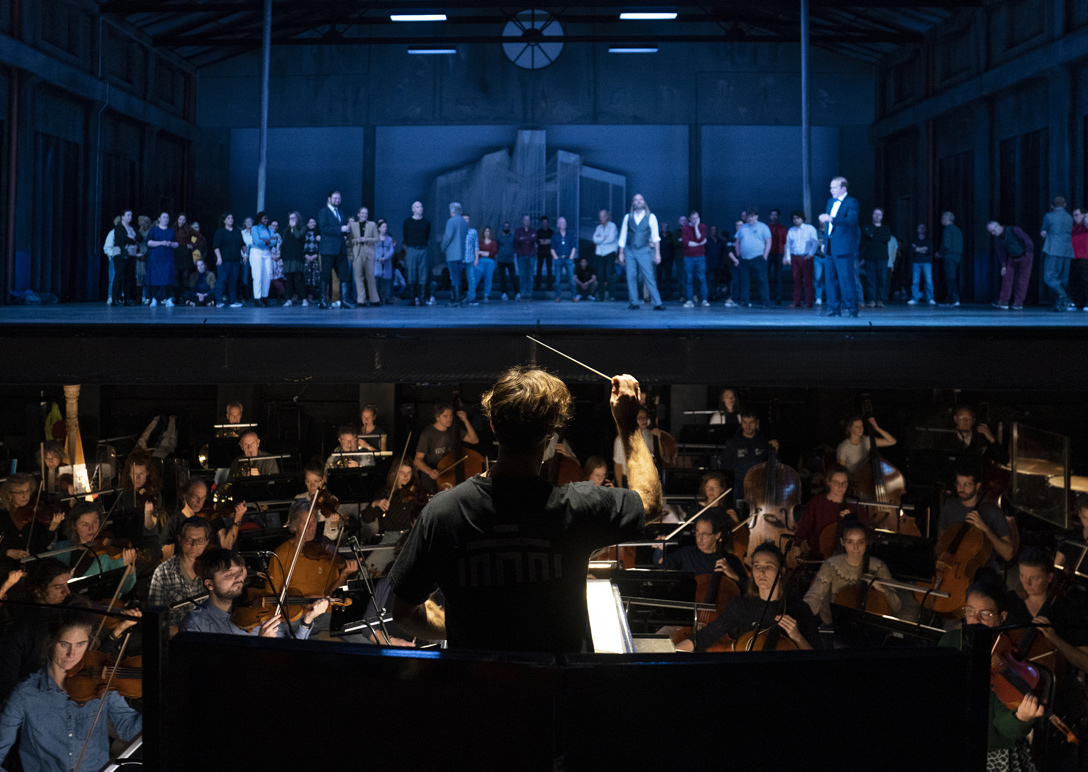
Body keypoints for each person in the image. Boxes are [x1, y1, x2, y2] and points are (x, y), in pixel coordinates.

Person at [389, 368, 659, 653]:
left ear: (493, 426)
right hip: (557, 692)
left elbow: (405, 613)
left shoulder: (442, 512)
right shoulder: (579, 506)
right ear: (550, 433)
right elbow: (650, 501)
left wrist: (464, 625)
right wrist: (628, 424)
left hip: (475, 692)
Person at [0, 611, 143, 772]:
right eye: (64, 644)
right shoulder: (25, 694)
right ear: (50, 642)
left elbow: (128, 728)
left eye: (80, 644)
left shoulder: (101, 685)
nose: (72, 654)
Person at [937, 582, 1043, 771]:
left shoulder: (1006, 658)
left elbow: (1004, 728)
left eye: (985, 614)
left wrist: (1021, 717)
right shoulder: (951, 640)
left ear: (1002, 617)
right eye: (970, 611)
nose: (975, 619)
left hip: (993, 753)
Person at [675, 542, 817, 652]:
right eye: (756, 566)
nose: (761, 572)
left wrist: (797, 636)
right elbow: (706, 636)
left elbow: (818, 656)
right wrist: (672, 652)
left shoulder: (798, 608)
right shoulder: (741, 605)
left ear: (781, 571)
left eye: (768, 566)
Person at [180, 547, 328, 638]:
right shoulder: (195, 625)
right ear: (209, 584)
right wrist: (260, 645)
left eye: (240, 571)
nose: (239, 578)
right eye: (229, 574)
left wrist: (306, 621)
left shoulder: (259, 611)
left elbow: (291, 651)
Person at [802, 519, 901, 624]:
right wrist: (803, 613)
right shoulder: (830, 565)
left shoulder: (878, 566)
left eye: (861, 542)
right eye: (850, 542)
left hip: (871, 625)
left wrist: (881, 588)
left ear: (866, 542)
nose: (856, 548)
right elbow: (815, 596)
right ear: (842, 542)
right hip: (836, 623)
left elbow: (896, 606)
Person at [938, 466, 1013, 574]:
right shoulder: (949, 506)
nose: (961, 488)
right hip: (953, 566)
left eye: (966, 485)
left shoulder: (993, 512)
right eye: (958, 484)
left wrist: (985, 529)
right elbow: (943, 538)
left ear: (977, 486)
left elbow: (1008, 554)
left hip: (983, 570)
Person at [653, 511, 747, 592]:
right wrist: (660, 549)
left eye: (705, 534)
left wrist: (734, 576)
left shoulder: (730, 561)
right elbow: (660, 564)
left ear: (717, 535)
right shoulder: (686, 554)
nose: (699, 538)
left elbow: (748, 589)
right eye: (697, 532)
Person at [148, 515, 212, 632]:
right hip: (177, 640)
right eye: (188, 540)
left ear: (207, 542)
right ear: (179, 539)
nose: (194, 545)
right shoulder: (163, 572)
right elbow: (155, 621)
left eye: (200, 541)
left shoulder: (213, 568)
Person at [793, 465, 862, 560]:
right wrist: (797, 543)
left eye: (844, 483)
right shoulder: (816, 502)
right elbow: (804, 525)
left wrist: (852, 521)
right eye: (836, 482)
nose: (840, 487)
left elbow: (864, 533)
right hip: (818, 556)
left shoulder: (855, 506)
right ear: (828, 482)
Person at [818, 176, 861, 318]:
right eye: (830, 187)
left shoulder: (851, 202)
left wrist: (832, 219)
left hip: (844, 247)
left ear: (843, 188)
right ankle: (833, 308)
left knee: (846, 279)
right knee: (830, 279)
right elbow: (827, 227)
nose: (831, 190)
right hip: (830, 246)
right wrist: (824, 242)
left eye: (834, 187)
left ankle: (851, 308)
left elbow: (852, 220)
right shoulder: (830, 202)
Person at [413, 402, 480, 493]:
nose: (449, 418)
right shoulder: (427, 434)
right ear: (437, 417)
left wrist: (465, 420)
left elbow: (474, 440)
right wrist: (429, 471)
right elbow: (417, 460)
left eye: (451, 416)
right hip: (433, 474)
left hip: (449, 473)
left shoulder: (453, 430)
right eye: (445, 416)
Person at [0, 473, 64, 567]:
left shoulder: (37, 513)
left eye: (27, 490)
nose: (25, 496)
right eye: (19, 492)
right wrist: (7, 552)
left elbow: (41, 546)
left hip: (34, 566)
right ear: (9, 494)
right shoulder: (2, 515)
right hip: (7, 567)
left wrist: (51, 529)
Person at [720, 408, 779, 505]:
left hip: (760, 486)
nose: (747, 426)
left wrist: (775, 452)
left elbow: (774, 466)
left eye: (751, 423)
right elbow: (725, 467)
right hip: (739, 485)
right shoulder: (733, 442)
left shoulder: (765, 441)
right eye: (745, 422)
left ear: (757, 423)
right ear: (741, 422)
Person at [618, 194, 665, 311]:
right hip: (630, 250)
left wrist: (657, 254)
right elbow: (623, 235)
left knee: (649, 275)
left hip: (644, 250)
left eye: (640, 200)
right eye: (636, 200)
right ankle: (634, 301)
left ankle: (657, 302)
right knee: (631, 276)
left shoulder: (651, 217)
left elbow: (656, 237)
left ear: (644, 202)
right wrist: (621, 253)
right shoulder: (628, 217)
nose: (638, 202)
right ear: (633, 203)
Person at [317, 190, 357, 310]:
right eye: (335, 198)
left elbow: (342, 229)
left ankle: (344, 300)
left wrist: (347, 230)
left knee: (344, 275)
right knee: (326, 275)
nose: (337, 200)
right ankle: (323, 301)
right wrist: (341, 229)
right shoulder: (323, 212)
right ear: (329, 199)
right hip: (328, 249)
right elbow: (324, 228)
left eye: (339, 198)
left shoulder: (341, 212)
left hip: (340, 249)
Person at [986, 219, 1034, 310]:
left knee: (1022, 280)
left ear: (998, 226)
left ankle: (1018, 303)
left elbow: (1027, 240)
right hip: (1012, 258)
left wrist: (1028, 254)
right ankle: (1004, 301)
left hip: (1025, 256)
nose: (993, 233)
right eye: (991, 232)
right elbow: (1001, 252)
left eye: (993, 230)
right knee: (1006, 278)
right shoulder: (998, 238)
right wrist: (1003, 265)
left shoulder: (1014, 230)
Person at [1040, 195, 1076, 311]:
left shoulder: (1049, 216)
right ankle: (1062, 303)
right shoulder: (1070, 217)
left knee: (1049, 276)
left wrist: (1044, 234)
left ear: (1052, 206)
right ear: (1064, 205)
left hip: (1054, 249)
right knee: (1062, 278)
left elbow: (1044, 231)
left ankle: (1064, 297)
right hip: (1067, 251)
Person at [734, 208, 772, 308]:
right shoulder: (743, 228)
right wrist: (738, 253)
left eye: (752, 216)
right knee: (744, 280)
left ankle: (765, 302)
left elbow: (768, 241)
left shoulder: (763, 227)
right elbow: (737, 241)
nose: (750, 219)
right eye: (748, 217)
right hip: (745, 258)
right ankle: (745, 301)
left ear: (757, 216)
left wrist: (765, 255)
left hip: (759, 257)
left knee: (762, 280)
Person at [612, 406, 655, 488]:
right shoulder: (621, 440)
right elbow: (618, 465)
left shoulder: (648, 435)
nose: (644, 420)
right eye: (640, 418)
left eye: (645, 417)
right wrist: (620, 488)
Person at [105, 210, 139, 306]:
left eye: (131, 215)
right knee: (117, 276)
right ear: (122, 217)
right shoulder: (117, 229)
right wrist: (131, 238)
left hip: (130, 255)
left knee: (129, 277)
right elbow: (122, 238)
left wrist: (131, 237)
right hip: (119, 254)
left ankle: (127, 298)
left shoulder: (132, 228)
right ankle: (114, 298)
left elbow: (139, 237)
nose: (130, 217)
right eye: (128, 215)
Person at [212, 212, 246, 308]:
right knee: (222, 279)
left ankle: (233, 300)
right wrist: (219, 257)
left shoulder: (237, 231)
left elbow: (242, 244)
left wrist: (245, 255)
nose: (231, 219)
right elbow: (216, 246)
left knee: (233, 280)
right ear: (224, 220)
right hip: (224, 260)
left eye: (232, 218)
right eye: (228, 218)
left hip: (235, 260)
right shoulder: (220, 232)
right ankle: (219, 300)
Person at [860, 208, 892, 308]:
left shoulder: (885, 228)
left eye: (879, 214)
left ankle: (880, 299)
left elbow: (886, 238)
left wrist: (873, 236)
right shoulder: (867, 227)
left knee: (881, 278)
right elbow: (866, 236)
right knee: (871, 279)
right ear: (872, 215)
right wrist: (874, 235)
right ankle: (872, 300)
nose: (877, 216)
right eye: (875, 214)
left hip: (882, 257)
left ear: (882, 217)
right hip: (870, 256)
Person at [440, 203, 470, 306]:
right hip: (461, 253)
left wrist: (443, 247)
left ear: (452, 210)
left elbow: (448, 237)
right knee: (457, 275)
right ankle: (455, 298)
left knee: (454, 276)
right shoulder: (464, 222)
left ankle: (456, 299)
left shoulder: (451, 221)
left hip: (452, 253)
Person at [786, 211, 818, 308]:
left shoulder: (810, 229)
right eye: (794, 218)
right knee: (796, 280)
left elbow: (815, 243)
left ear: (802, 219)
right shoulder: (791, 230)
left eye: (798, 218)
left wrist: (810, 254)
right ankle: (796, 301)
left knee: (808, 280)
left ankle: (808, 302)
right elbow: (788, 245)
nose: (796, 220)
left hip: (806, 257)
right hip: (795, 257)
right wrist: (788, 257)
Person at [402, 201, 431, 306]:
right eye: (418, 207)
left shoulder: (426, 222)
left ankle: (422, 297)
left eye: (421, 206)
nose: (420, 208)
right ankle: (412, 298)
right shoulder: (407, 222)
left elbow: (427, 235)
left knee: (423, 273)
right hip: (411, 249)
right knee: (411, 273)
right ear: (413, 209)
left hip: (423, 248)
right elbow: (405, 236)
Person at [146, 211, 177, 307]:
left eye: (167, 217)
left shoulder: (171, 231)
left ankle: (168, 298)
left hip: (167, 258)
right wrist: (161, 243)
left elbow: (176, 244)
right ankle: (154, 299)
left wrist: (170, 243)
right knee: (155, 278)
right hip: (156, 258)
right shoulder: (154, 230)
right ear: (159, 218)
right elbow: (149, 242)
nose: (166, 219)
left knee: (167, 278)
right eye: (164, 217)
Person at [680, 210, 710, 308]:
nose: (695, 220)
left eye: (696, 218)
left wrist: (696, 226)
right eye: (693, 219)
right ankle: (689, 300)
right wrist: (699, 244)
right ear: (689, 219)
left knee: (702, 278)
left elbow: (700, 238)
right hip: (688, 257)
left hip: (700, 257)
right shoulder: (685, 228)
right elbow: (686, 243)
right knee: (689, 278)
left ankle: (704, 299)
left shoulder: (702, 227)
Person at [935, 211, 963, 307]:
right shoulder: (958, 230)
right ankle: (950, 299)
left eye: (942, 218)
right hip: (957, 257)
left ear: (946, 219)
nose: (941, 220)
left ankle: (954, 299)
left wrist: (940, 253)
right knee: (952, 278)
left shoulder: (947, 230)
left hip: (949, 256)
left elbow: (946, 245)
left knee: (950, 278)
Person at [278, 211, 306, 307]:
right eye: (290, 218)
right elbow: (284, 245)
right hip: (288, 258)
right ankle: (288, 299)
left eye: (294, 218)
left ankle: (304, 299)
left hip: (297, 257)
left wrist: (294, 227)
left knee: (299, 279)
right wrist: (282, 258)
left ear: (298, 219)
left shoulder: (302, 228)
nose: (292, 220)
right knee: (289, 280)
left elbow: (299, 237)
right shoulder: (286, 231)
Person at [592, 209, 619, 301]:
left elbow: (611, 239)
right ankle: (601, 295)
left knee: (609, 274)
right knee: (600, 275)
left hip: (610, 252)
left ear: (607, 216)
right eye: (600, 217)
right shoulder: (598, 228)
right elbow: (594, 239)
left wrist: (600, 239)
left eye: (603, 216)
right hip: (600, 253)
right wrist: (604, 238)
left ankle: (612, 295)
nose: (601, 218)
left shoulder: (612, 226)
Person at [907, 223, 935, 305]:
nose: (922, 229)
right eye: (920, 227)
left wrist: (917, 248)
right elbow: (912, 250)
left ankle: (930, 298)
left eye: (923, 227)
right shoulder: (914, 239)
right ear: (917, 229)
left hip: (927, 262)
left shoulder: (928, 240)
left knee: (928, 281)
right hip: (916, 262)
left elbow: (929, 250)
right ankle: (914, 298)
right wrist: (923, 249)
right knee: (915, 281)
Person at [551, 216, 576, 302]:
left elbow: (573, 247)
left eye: (564, 222)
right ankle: (558, 296)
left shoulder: (570, 235)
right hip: (559, 259)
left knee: (572, 279)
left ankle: (574, 296)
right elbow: (552, 248)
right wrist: (556, 258)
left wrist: (571, 257)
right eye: (561, 223)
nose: (563, 224)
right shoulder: (555, 236)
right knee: (557, 279)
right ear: (558, 225)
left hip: (568, 259)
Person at [767, 209, 788, 305]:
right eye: (772, 214)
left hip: (779, 254)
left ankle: (778, 297)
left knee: (778, 276)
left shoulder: (783, 229)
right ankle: (766, 297)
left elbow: (785, 243)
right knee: (765, 275)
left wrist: (785, 256)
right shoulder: (766, 228)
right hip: (768, 254)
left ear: (778, 216)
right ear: (770, 216)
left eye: (775, 215)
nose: (774, 216)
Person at [472, 224, 497, 303]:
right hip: (480, 261)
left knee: (488, 279)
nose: (487, 233)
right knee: (476, 278)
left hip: (490, 262)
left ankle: (486, 295)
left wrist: (482, 252)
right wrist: (486, 253)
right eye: (485, 231)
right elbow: (476, 252)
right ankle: (471, 295)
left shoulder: (493, 242)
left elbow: (493, 253)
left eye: (488, 231)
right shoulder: (479, 242)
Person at [513, 215, 537, 300]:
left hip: (531, 255)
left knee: (530, 275)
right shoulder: (518, 230)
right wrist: (528, 239)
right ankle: (522, 293)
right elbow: (517, 240)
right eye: (525, 220)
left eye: (528, 220)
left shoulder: (533, 230)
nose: (527, 222)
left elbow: (534, 239)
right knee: (522, 275)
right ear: (523, 221)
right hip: (521, 255)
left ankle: (530, 293)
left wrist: (523, 239)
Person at [374, 219, 396, 304]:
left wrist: (386, 257)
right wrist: (378, 257)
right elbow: (373, 249)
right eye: (383, 227)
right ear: (379, 228)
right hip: (377, 261)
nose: (385, 228)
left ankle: (386, 297)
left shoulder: (389, 239)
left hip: (386, 261)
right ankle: (377, 298)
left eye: (386, 226)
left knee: (386, 280)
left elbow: (391, 250)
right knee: (377, 279)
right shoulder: (375, 238)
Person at [495, 221, 519, 300]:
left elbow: (515, 246)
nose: (506, 228)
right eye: (505, 227)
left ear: (509, 228)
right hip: (501, 260)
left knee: (513, 276)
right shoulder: (499, 237)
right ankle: (504, 293)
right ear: (503, 228)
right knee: (502, 277)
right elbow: (497, 248)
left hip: (510, 260)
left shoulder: (513, 237)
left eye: (507, 227)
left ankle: (517, 292)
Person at [1071, 207, 1088, 310]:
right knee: (1076, 281)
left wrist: (1086, 217)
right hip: (1074, 256)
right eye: (1074, 215)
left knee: (1086, 280)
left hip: (1085, 257)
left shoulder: (1086, 225)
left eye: (1077, 215)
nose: (1075, 217)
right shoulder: (1073, 226)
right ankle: (1079, 303)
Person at [302, 216, 321, 306]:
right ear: (307, 224)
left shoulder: (318, 233)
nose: (313, 224)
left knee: (314, 279)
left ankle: (311, 296)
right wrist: (305, 255)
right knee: (306, 278)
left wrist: (316, 255)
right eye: (311, 222)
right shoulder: (304, 233)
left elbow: (321, 245)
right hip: (306, 256)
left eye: (314, 222)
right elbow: (301, 245)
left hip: (315, 256)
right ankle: (305, 297)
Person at [535, 215, 554, 293]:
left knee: (549, 269)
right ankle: (538, 285)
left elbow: (551, 241)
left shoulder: (551, 232)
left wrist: (544, 241)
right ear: (541, 223)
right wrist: (545, 241)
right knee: (539, 269)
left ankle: (549, 285)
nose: (545, 224)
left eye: (546, 222)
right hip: (540, 252)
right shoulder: (538, 232)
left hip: (549, 252)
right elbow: (538, 241)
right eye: (543, 222)